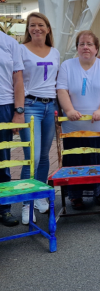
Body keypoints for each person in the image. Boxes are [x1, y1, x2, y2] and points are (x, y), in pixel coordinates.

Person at [56, 30, 100, 209]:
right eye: (82, 44)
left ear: (97, 48)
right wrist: (68, 109)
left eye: (90, 44)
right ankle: (76, 196)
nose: (85, 47)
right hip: (74, 126)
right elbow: (62, 90)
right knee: (76, 160)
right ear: (77, 48)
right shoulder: (67, 66)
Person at [18, 12, 60, 224]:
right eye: (32, 25)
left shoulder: (55, 52)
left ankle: (40, 194)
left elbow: (55, 82)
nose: (37, 28)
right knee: (31, 157)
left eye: (41, 25)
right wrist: (18, 111)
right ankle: (27, 203)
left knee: (44, 156)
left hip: (49, 106)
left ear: (48, 28)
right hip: (30, 105)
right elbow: (15, 81)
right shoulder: (21, 50)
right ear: (28, 29)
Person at [0, 31, 24, 227]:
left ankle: (4, 209)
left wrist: (18, 110)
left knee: (3, 159)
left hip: (4, 105)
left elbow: (18, 79)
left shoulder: (9, 43)